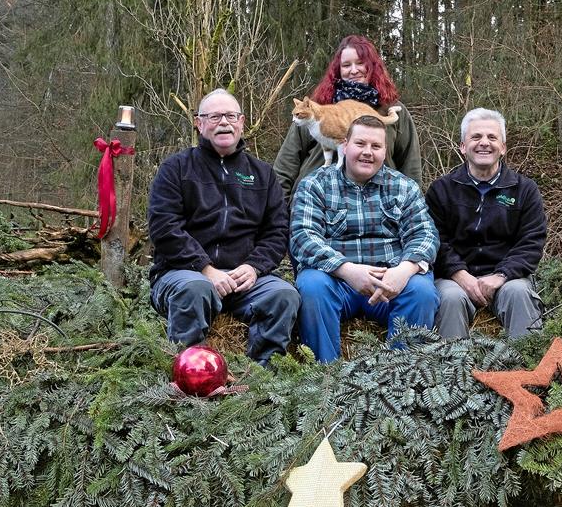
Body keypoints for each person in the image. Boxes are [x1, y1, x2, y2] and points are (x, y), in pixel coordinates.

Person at [147, 89, 298, 367]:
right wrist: (206, 269)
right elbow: (164, 227)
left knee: (284, 295)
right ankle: (189, 375)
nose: (224, 123)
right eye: (214, 116)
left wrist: (254, 267)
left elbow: (277, 231)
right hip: (184, 275)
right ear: (199, 123)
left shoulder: (263, 174)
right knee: (194, 289)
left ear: (241, 122)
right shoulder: (176, 169)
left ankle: (262, 379)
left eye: (230, 116)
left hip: (244, 283)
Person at [290, 115, 439, 362]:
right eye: (360, 144)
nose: (367, 152)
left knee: (422, 290)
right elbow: (302, 237)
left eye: (376, 146)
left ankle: (400, 378)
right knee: (312, 285)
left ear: (385, 150)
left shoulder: (404, 187)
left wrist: (403, 271)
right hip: (335, 281)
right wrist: (347, 270)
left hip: (389, 283)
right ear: (345, 145)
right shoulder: (315, 184)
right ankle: (324, 378)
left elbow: (424, 234)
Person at [425, 108, 546, 339]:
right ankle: (452, 371)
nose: (484, 143)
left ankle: (529, 372)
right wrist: (461, 275)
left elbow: (531, 242)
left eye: (492, 137)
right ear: (462, 146)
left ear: (503, 148)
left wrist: (501, 275)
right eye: (476, 137)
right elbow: (434, 240)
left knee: (520, 293)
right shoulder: (441, 190)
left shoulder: (524, 190)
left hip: (508, 279)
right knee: (449, 299)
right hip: (454, 279)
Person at [275, 35, 422, 200]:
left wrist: (410, 208)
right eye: (346, 65)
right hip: (314, 205)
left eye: (360, 63)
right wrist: (281, 216)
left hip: (379, 210)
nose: (353, 70)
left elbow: (411, 167)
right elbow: (285, 166)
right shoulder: (315, 108)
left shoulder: (391, 110)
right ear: (338, 70)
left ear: (372, 66)